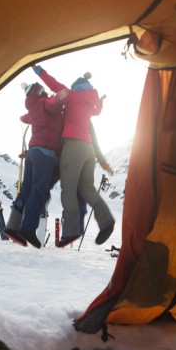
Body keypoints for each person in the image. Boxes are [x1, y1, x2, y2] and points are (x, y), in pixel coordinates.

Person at [33, 65, 115, 247]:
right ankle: (106, 220)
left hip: (73, 145)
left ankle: (71, 231)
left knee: (68, 189)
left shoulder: (71, 95)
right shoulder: (89, 103)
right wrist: (100, 102)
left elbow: (52, 83)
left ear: (75, 87)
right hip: (89, 150)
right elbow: (97, 111)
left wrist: (38, 70)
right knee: (87, 188)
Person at [4, 80, 65, 248]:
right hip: (45, 153)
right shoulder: (46, 103)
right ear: (40, 92)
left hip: (32, 152)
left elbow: (23, 118)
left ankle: (12, 227)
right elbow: (56, 102)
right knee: (39, 189)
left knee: (27, 188)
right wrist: (62, 94)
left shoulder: (33, 108)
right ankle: (28, 229)